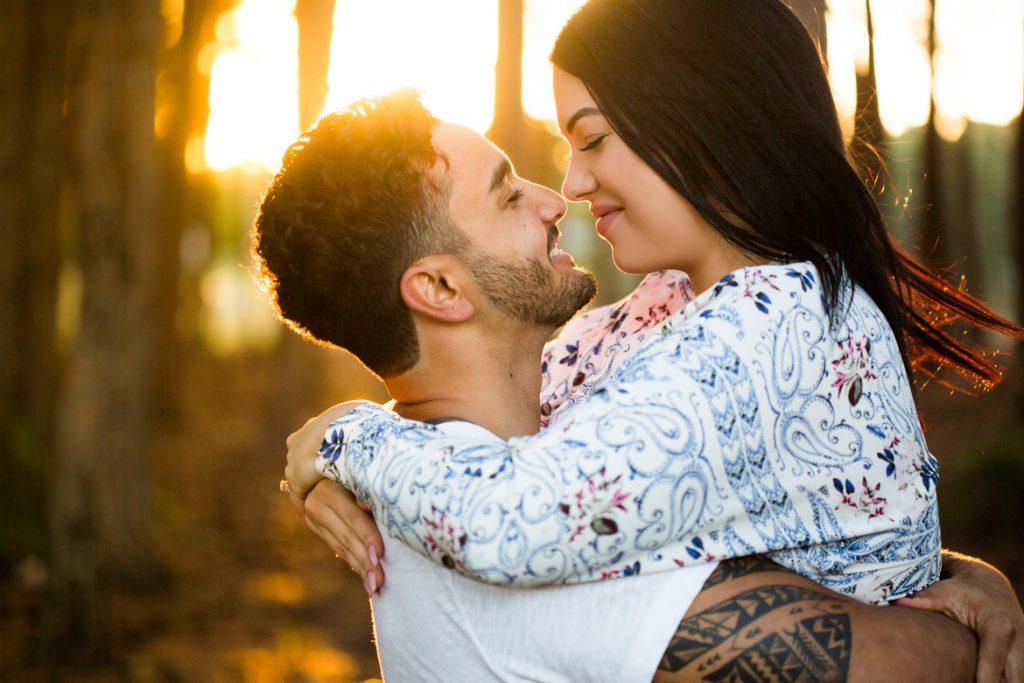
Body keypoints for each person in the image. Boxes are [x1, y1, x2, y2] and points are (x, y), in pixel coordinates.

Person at [278, 0, 1024, 680]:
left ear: (697, 118)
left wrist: (345, 435)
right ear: (437, 289)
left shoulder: (767, 320)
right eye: (510, 192)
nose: (563, 187)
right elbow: (559, 494)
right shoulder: (672, 312)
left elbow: (533, 498)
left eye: (593, 138)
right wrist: (339, 443)